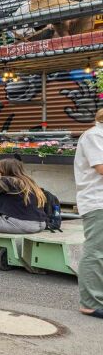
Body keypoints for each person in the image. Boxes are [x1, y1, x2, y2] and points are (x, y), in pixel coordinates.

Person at [75, 109, 103, 318]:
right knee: (96, 251)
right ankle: (91, 302)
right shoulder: (95, 135)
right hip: (98, 201)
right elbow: (101, 167)